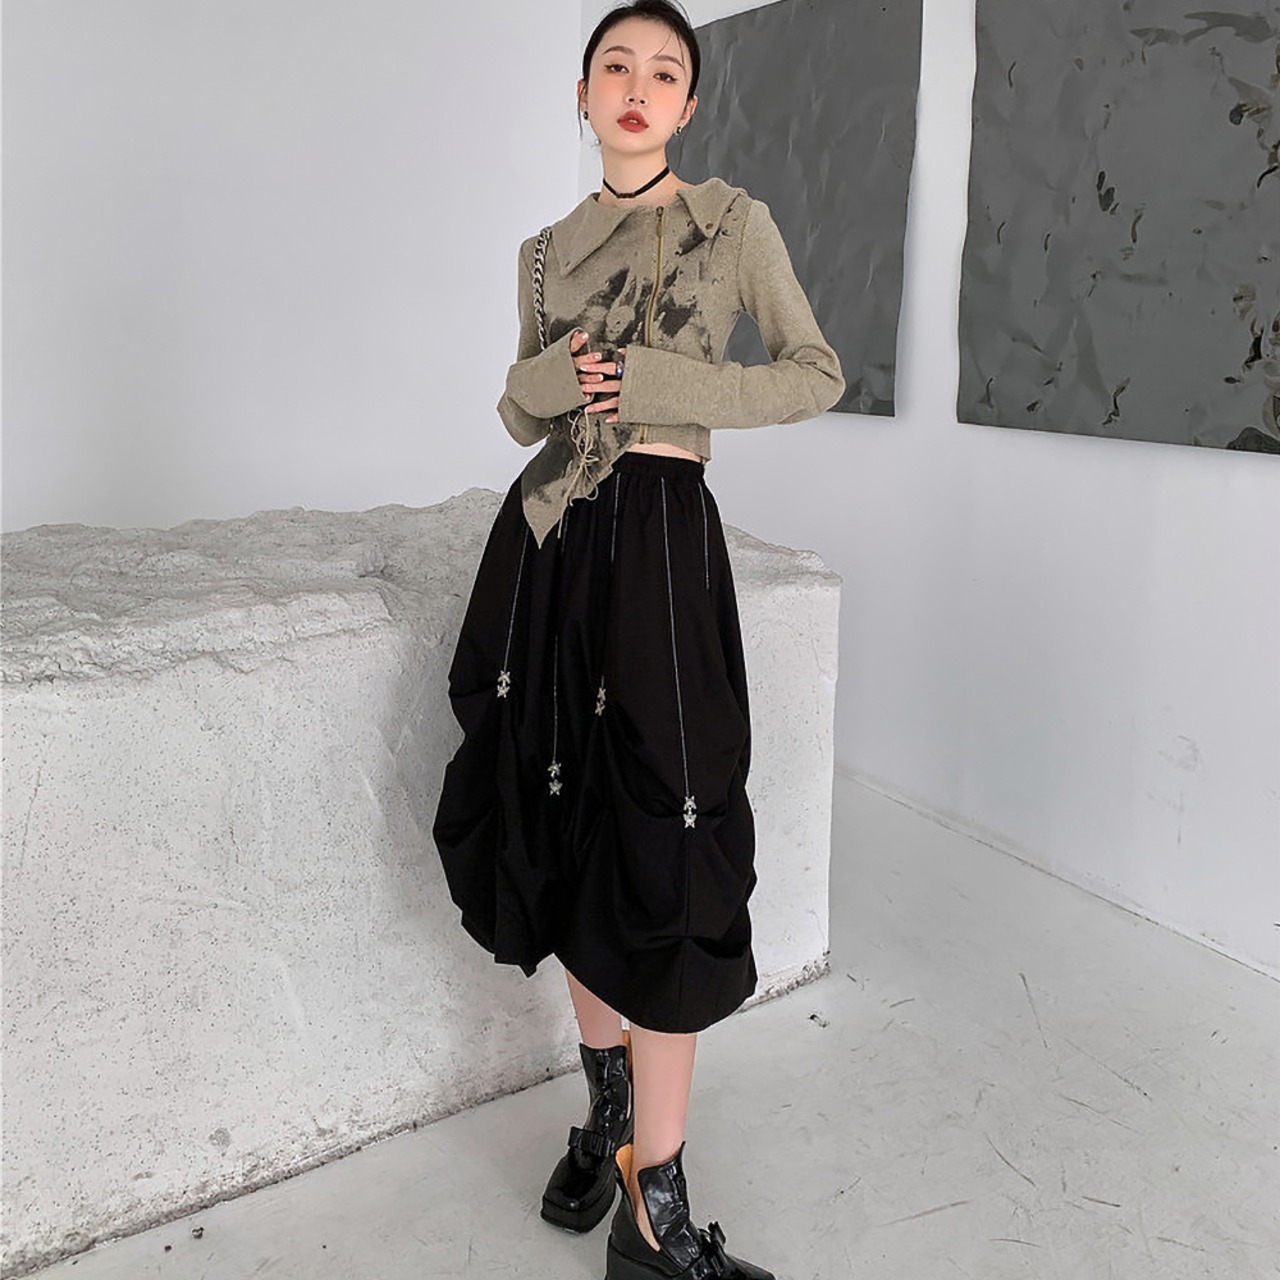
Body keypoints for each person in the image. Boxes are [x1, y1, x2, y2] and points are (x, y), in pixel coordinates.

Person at [431, 3, 844, 1276]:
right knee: (564, 820)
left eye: (664, 70)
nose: (636, 84)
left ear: (687, 105)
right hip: (550, 546)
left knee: (672, 833)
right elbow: (517, 407)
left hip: (660, 546)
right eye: (614, 63)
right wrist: (561, 375)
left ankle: (653, 1210)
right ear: (582, 92)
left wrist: (655, 383)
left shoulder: (731, 225)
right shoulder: (542, 252)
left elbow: (813, 371)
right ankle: (609, 1119)